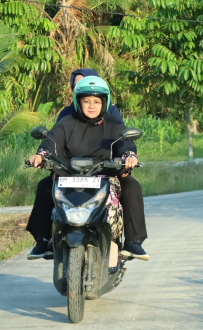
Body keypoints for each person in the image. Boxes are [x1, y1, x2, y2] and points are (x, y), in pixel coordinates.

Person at [26, 77, 149, 261]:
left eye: (97, 101)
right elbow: (51, 140)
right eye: (86, 101)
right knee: (44, 186)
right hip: (69, 175)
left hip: (106, 174)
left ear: (104, 102)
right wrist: (41, 155)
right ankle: (44, 240)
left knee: (131, 186)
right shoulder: (66, 122)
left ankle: (133, 242)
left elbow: (125, 144)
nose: (92, 106)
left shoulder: (114, 125)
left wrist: (129, 157)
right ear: (78, 102)